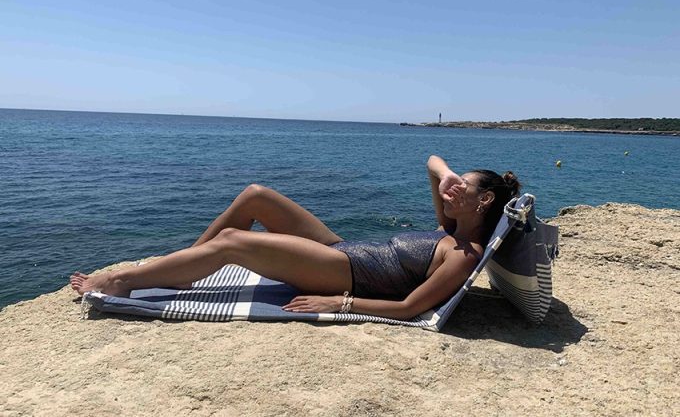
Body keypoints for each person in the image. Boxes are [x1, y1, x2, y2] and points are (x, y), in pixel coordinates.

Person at [70, 156, 520, 320]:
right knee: (256, 196)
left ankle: (124, 281)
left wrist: (340, 303)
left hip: (343, 274)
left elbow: (409, 308)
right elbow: (432, 161)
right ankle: (186, 269)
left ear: (484, 202)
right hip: (342, 250)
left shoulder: (465, 253)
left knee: (232, 240)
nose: (450, 189)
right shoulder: (449, 228)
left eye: (462, 187)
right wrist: (448, 176)